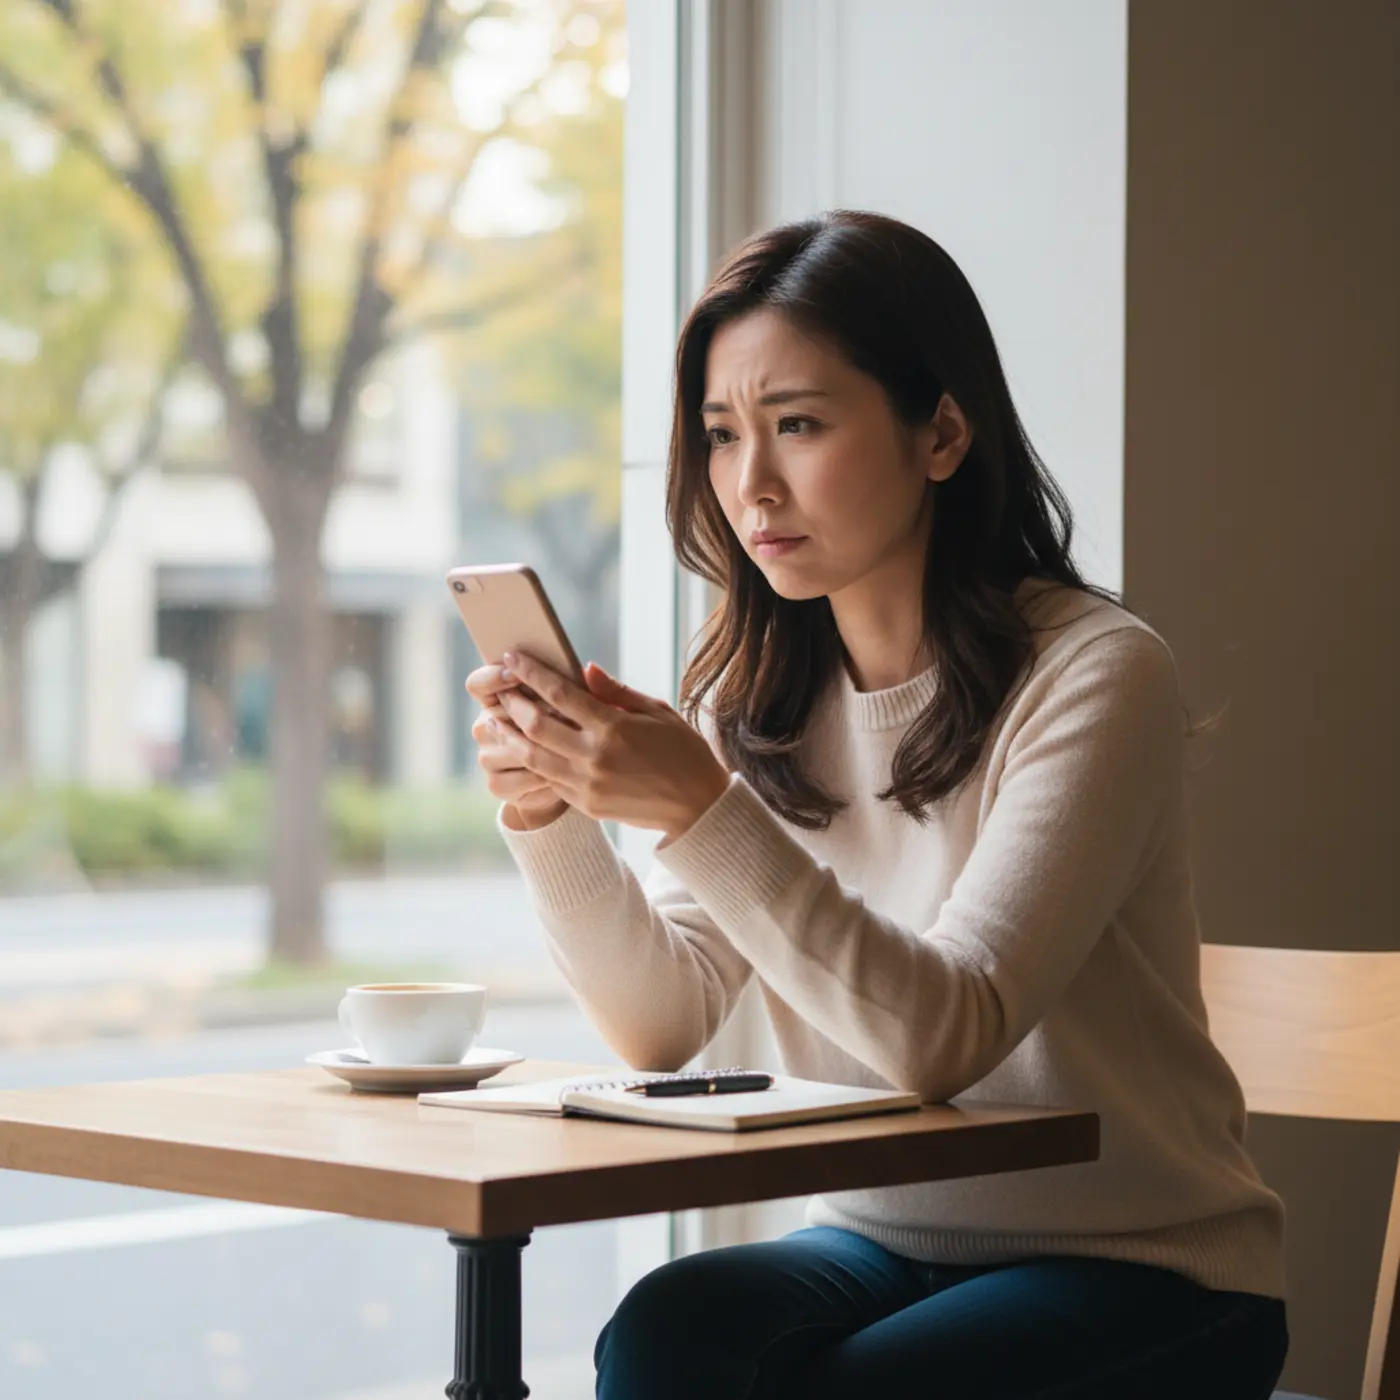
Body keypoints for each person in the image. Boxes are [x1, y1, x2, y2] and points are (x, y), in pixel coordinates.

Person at [466, 210, 1289, 1400]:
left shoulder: (1095, 672)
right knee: (664, 1333)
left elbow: (945, 1033)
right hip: (879, 1237)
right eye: (718, 433)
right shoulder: (759, 692)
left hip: (1149, 1264)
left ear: (941, 430)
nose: (751, 483)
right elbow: (660, 1024)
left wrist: (703, 811)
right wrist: (552, 816)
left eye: (796, 424)